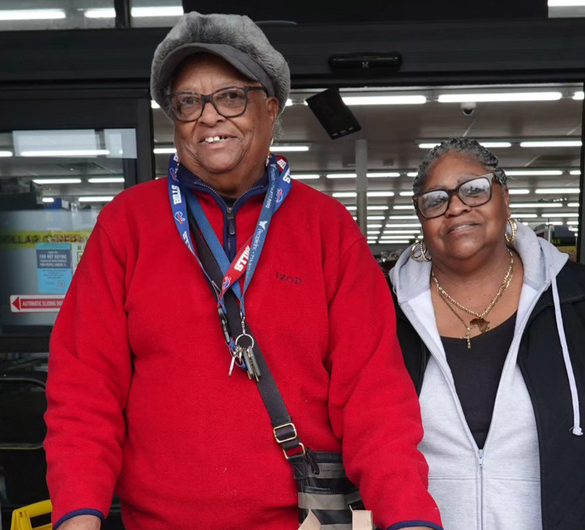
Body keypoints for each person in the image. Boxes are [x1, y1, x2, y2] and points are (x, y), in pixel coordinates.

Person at [44, 12, 442, 530]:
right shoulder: (127, 225)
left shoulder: (327, 228)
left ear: (271, 108)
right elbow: (83, 389)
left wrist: (409, 518)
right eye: (188, 102)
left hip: (303, 521)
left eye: (231, 96)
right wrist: (78, 515)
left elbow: (375, 396)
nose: (209, 117)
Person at [388, 138, 585, 529]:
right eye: (435, 200)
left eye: (474, 189)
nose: (455, 207)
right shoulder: (384, 311)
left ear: (505, 197)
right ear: (422, 219)